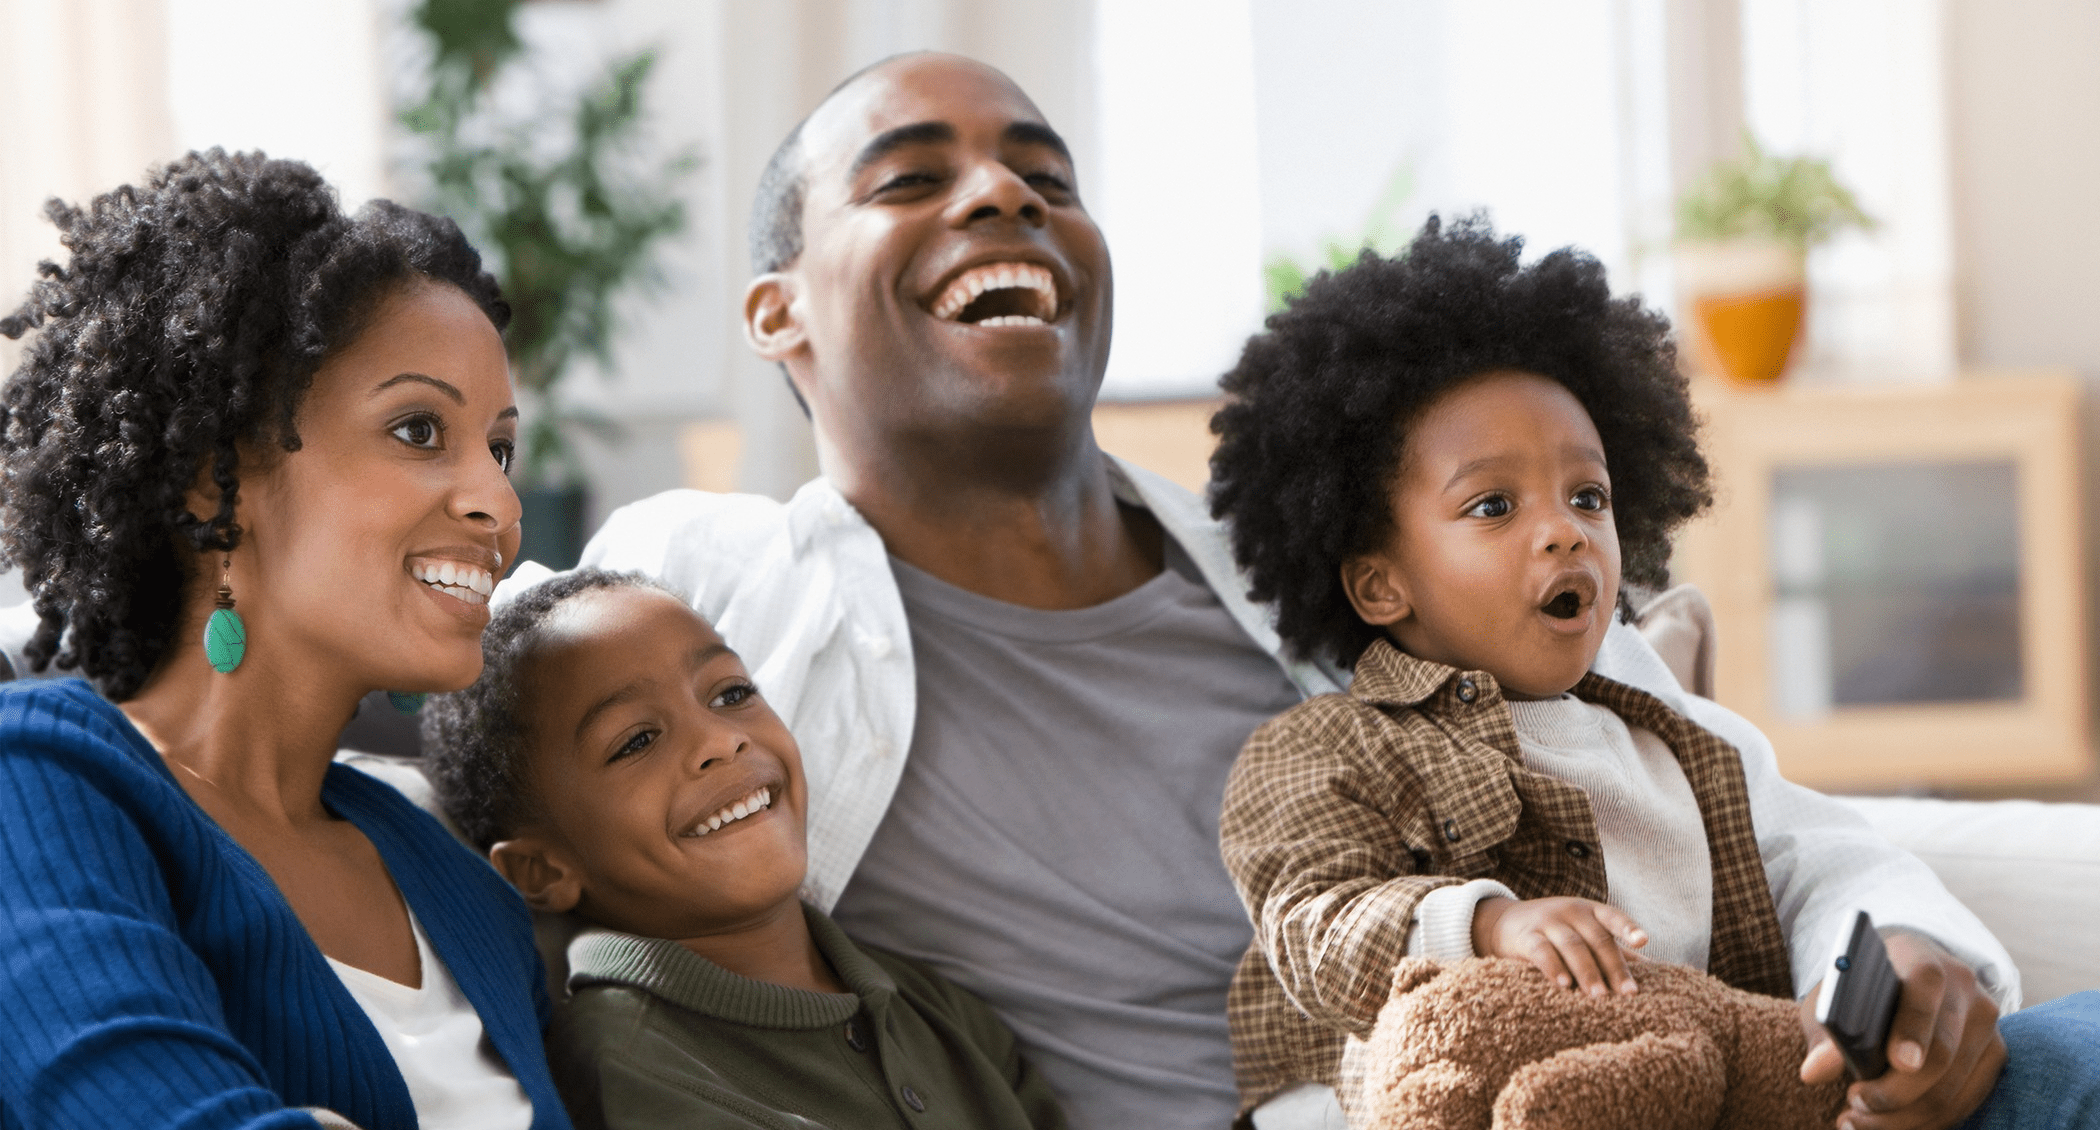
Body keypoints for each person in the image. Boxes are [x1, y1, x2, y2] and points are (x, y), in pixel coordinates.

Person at [567, 50, 2058, 1130]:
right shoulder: (712, 589)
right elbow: (484, 710)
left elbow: (1777, 832)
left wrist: (1920, 967)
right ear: (776, 311)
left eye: (1045, 176)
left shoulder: (1365, 568)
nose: (1002, 197)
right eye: (914, 179)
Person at [1205, 218, 2100, 1130]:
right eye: (1492, 505)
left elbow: (1820, 858)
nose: (1563, 530)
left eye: (1587, 495)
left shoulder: (1667, 726)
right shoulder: (1326, 748)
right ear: (1378, 582)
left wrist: (1905, 951)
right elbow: (1313, 917)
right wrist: (1485, 926)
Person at [0, 150, 569, 1130]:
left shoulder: (460, 879)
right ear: (214, 474)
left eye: (500, 446)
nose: (499, 502)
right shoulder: (40, 780)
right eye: (419, 429)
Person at [418, 567, 1068, 1130]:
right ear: (541, 870)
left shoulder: (934, 1008)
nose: (720, 740)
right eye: (636, 741)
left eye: (731, 693)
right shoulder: (627, 1068)